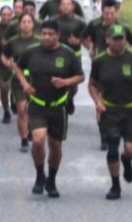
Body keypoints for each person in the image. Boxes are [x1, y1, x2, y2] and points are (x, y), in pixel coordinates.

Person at [14, 19, 84, 198]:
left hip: (58, 105)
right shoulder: (32, 52)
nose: (46, 37)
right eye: (43, 33)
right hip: (37, 103)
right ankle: (39, 174)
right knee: (38, 140)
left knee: (55, 145)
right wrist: (25, 85)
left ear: (58, 36)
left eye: (50, 34)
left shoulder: (67, 54)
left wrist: (65, 82)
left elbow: (80, 76)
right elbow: (18, 68)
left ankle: (51, 178)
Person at [89, 27, 132, 200]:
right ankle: (115, 185)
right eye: (114, 39)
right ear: (108, 40)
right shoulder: (100, 61)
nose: (118, 42)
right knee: (113, 148)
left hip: (131, 110)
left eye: (121, 39)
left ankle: (127, 160)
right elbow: (92, 84)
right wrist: (98, 102)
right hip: (110, 110)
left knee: (131, 150)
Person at [1, 13, 41, 151]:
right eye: (23, 21)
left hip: (37, 79)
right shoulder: (13, 41)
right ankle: (24, 140)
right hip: (19, 79)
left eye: (29, 21)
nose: (26, 24)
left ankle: (31, 128)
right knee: (22, 110)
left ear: (33, 24)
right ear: (19, 24)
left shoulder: (39, 40)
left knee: (34, 109)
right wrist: (8, 64)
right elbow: (4, 56)